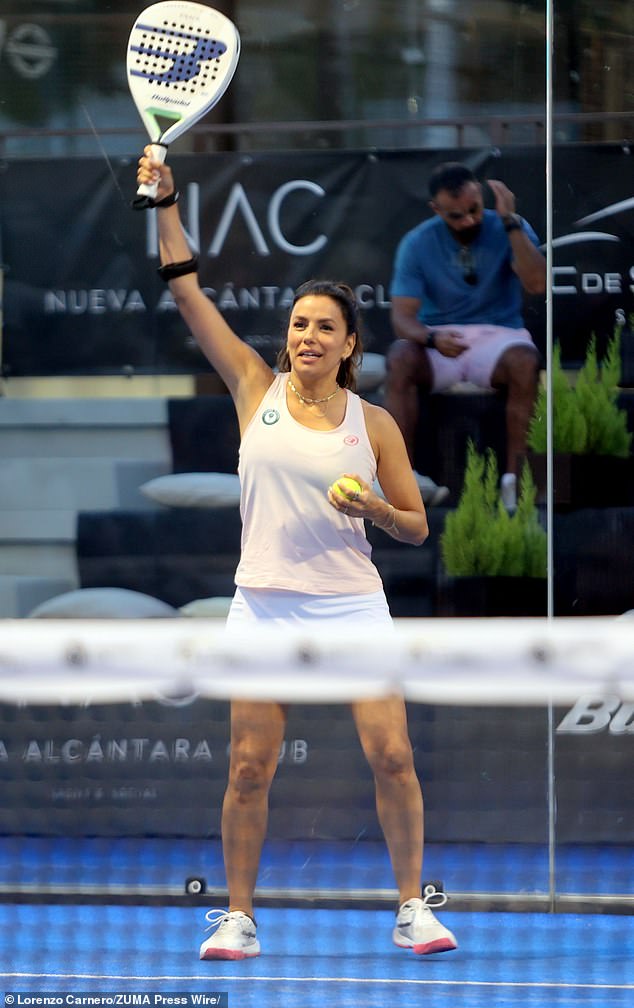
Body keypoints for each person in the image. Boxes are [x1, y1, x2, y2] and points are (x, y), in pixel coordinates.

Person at [136, 149, 458, 962]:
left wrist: (376, 506)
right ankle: (237, 916)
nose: (306, 336)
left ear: (350, 344)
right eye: (298, 324)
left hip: (351, 606)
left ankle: (413, 908)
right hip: (265, 604)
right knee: (249, 767)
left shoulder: (373, 424)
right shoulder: (254, 387)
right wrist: (167, 202)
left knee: (392, 755)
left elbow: (416, 527)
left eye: (323, 327)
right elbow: (185, 290)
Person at [383, 161, 547, 510]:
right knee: (399, 357)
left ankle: (517, 479)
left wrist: (510, 221)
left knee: (526, 362)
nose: (469, 220)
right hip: (439, 340)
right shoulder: (417, 242)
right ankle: (400, 478)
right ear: (436, 209)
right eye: (456, 216)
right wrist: (430, 340)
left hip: (499, 336)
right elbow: (402, 318)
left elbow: (537, 283)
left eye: (474, 209)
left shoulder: (508, 226)